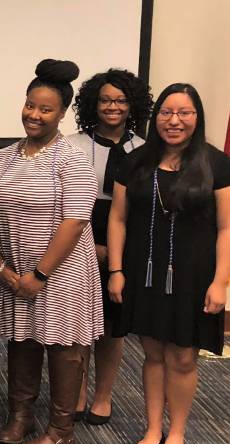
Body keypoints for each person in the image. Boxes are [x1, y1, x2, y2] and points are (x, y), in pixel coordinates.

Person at [0, 59, 102, 444]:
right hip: (12, 269)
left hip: (61, 271)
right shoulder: (4, 157)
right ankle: (20, 416)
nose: (34, 114)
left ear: (62, 113)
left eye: (45, 109)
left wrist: (40, 273)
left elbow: (75, 221)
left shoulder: (72, 158)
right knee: (22, 339)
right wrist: (0, 265)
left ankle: (61, 430)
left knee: (63, 346)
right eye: (30, 105)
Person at [108, 83, 230, 444]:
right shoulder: (135, 161)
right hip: (144, 272)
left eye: (184, 113)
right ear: (155, 116)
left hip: (194, 277)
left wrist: (221, 282)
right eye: (166, 112)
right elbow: (117, 218)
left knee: (183, 357)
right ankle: (152, 429)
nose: (174, 120)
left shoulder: (216, 164)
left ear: (197, 117)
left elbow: (227, 228)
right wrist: (115, 269)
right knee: (153, 354)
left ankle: (176, 432)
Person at [68, 69, 151, 424]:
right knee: (80, 323)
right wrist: (90, 245)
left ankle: (103, 396)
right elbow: (67, 205)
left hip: (125, 242)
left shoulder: (145, 150)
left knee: (112, 326)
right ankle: (76, 392)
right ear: (93, 103)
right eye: (105, 100)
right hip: (79, 237)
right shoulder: (72, 145)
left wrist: (117, 252)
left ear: (132, 105)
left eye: (120, 100)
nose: (112, 107)